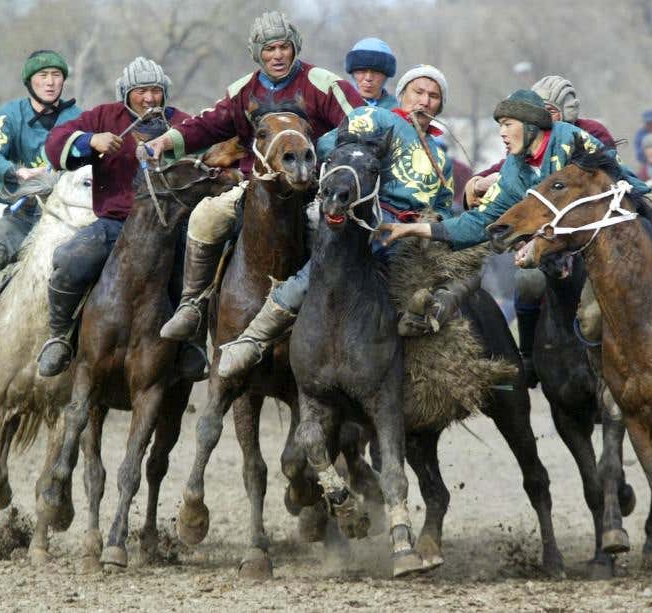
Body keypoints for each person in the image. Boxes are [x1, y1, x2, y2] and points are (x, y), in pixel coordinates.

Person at [381, 90, 652, 382]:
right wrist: (416, 228)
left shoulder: (569, 141)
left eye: (507, 125)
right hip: (589, 253)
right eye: (499, 126)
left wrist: (540, 238)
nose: (501, 133)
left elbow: (611, 192)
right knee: (590, 320)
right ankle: (608, 387)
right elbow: (480, 222)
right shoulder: (516, 169)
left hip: (646, 214)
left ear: (531, 126)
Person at [216, 65, 455, 379]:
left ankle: (411, 370)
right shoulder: (375, 119)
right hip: (359, 219)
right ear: (403, 94)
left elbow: (444, 208)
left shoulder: (440, 157)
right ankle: (254, 337)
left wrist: (432, 228)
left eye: (433, 96)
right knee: (314, 272)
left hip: (408, 238)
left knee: (429, 296)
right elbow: (326, 147)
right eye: (418, 92)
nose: (424, 101)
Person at [150, 11, 364, 343]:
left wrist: (318, 147)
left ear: (295, 48)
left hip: (315, 188)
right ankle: (192, 305)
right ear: (257, 53)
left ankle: (348, 319)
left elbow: (361, 123)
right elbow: (207, 124)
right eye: (269, 49)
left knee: (336, 236)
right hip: (257, 191)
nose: (277, 56)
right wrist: (167, 141)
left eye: (284, 47)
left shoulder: (323, 82)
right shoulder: (242, 90)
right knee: (205, 216)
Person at [37, 57, 193, 377]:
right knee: (70, 259)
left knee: (195, 272)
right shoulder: (104, 116)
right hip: (115, 224)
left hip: (168, 226)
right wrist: (89, 140)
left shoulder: (180, 122)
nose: (150, 98)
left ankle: (192, 345)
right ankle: (60, 335)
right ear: (126, 93)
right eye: (141, 91)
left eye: (156, 91)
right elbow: (54, 145)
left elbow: (209, 147)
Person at [0, 50, 80, 376]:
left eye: (56, 75)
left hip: (69, 219)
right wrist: (16, 172)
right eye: (43, 76)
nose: (50, 82)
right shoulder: (9, 116)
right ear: (30, 81)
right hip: (23, 216)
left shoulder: (80, 118)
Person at [464, 75, 614, 209]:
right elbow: (509, 166)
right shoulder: (529, 137)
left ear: (567, 113)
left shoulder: (591, 132)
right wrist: (477, 185)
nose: (541, 118)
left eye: (550, 111)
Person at [345, 37, 398, 109]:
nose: (368, 78)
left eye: (376, 72)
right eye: (362, 71)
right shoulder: (338, 106)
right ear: (353, 73)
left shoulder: (398, 111)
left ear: (386, 76)